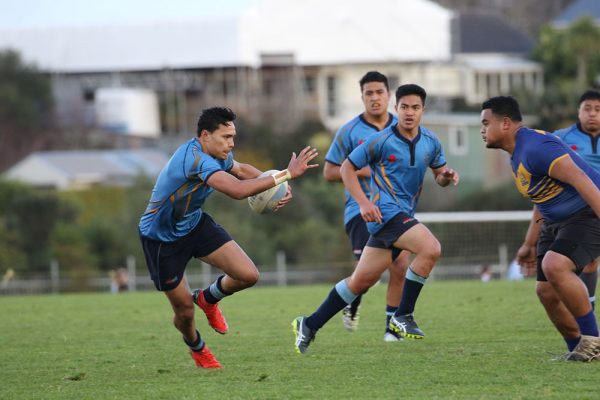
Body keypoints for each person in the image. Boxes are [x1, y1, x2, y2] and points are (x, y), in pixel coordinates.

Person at [139, 107, 318, 368]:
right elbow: (236, 190)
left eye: (232, 136)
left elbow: (242, 170)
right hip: (161, 239)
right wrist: (285, 174)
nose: (231, 143)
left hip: (194, 224)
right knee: (184, 313)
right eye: (225, 137)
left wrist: (279, 188)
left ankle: (208, 298)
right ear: (204, 135)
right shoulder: (195, 160)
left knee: (248, 275)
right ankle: (197, 347)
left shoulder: (218, 153)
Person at [292, 84, 459, 354]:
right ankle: (402, 316)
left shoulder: (431, 141)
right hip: (384, 214)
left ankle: (309, 324)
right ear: (397, 108)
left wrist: (446, 177)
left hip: (401, 215)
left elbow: (439, 175)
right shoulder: (380, 140)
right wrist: (363, 202)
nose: (409, 113)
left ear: (422, 111)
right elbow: (346, 168)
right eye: (404, 107)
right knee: (431, 248)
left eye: (415, 108)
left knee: (360, 282)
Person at [480, 95, 600, 361]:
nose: (482, 129)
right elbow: (541, 199)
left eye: (486, 123)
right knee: (545, 291)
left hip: (587, 214)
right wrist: (529, 243)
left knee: (555, 266)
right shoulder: (517, 153)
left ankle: (594, 342)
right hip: (556, 222)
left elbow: (581, 179)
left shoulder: (535, 147)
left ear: (506, 123)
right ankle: (578, 349)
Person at [323, 71, 410, 342]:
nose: (374, 98)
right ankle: (352, 301)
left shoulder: (402, 127)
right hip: (360, 210)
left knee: (400, 266)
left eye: (379, 92)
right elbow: (329, 172)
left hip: (396, 209)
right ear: (362, 97)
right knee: (368, 272)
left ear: (388, 96)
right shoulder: (349, 131)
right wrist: (363, 171)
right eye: (368, 93)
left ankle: (391, 328)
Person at [553, 89, 600, 308]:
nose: (593, 114)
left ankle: (585, 310)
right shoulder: (561, 138)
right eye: (587, 108)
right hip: (572, 209)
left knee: (590, 260)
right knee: (584, 260)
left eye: (598, 109)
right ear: (578, 112)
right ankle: (585, 310)